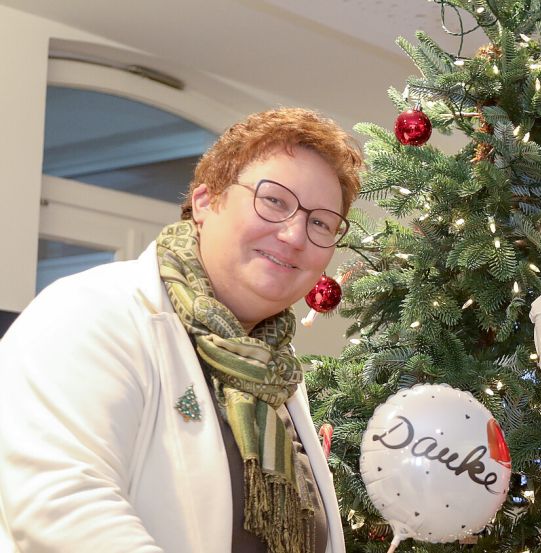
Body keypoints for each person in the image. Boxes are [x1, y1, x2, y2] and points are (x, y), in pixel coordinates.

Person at [0, 107, 362, 552]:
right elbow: (61, 505)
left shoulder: (275, 377)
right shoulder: (87, 312)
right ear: (207, 201)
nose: (295, 235)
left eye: (321, 222)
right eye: (274, 201)